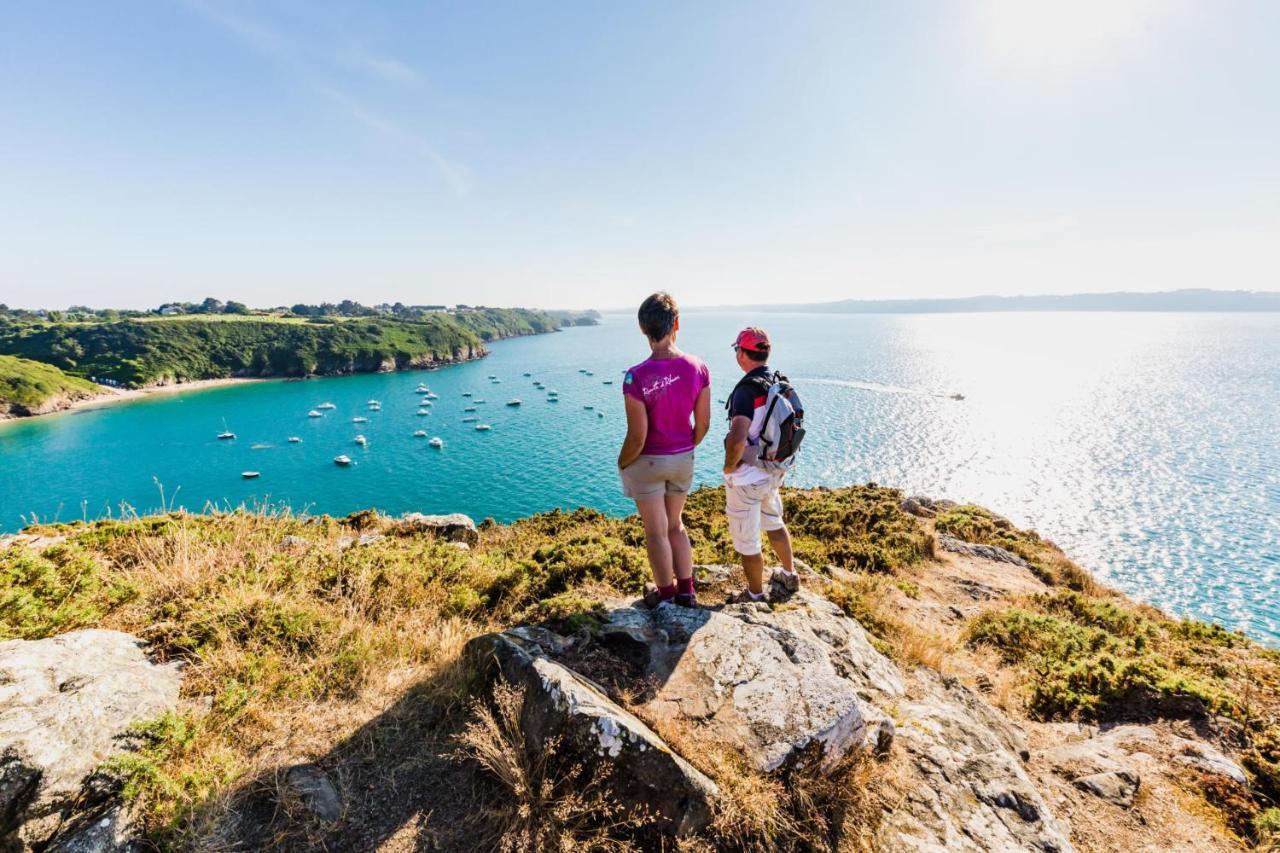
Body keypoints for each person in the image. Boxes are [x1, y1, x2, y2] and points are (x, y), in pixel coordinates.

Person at [618, 292, 711, 608]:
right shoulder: (699, 367)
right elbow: (703, 425)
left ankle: (667, 595)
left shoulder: (636, 376)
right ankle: (687, 592)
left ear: (643, 329)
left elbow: (637, 437)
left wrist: (622, 463)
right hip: (683, 458)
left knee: (656, 532)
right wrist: (684, 448)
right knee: (676, 525)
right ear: (677, 324)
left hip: (649, 463)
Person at [722, 326, 800, 602]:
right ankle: (789, 575)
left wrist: (729, 468)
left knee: (747, 541)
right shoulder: (776, 381)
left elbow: (737, 437)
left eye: (736, 349)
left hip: (747, 478)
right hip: (772, 472)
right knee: (774, 523)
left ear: (743, 353)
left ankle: (754, 595)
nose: (736, 354)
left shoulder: (746, 390)